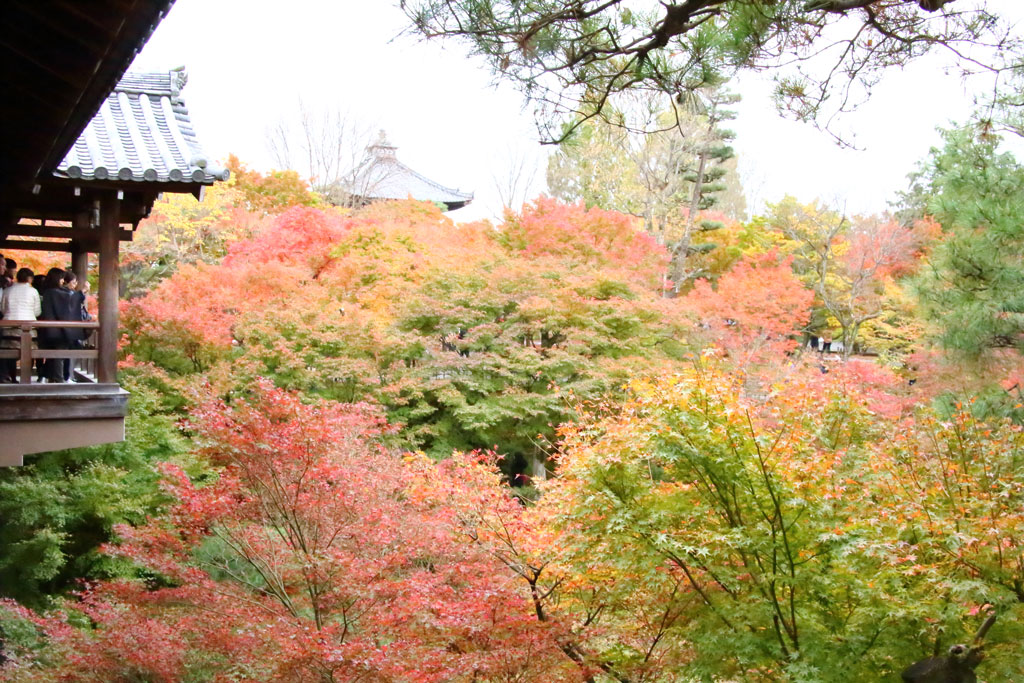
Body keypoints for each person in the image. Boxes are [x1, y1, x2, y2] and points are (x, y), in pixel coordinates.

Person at [0, 268, 41, 382]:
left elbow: (3, 309)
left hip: (9, 325)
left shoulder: (8, 290)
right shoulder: (33, 291)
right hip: (28, 325)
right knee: (28, 352)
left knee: (9, 354)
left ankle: (10, 376)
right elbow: (37, 311)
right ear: (30, 278)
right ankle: (26, 378)